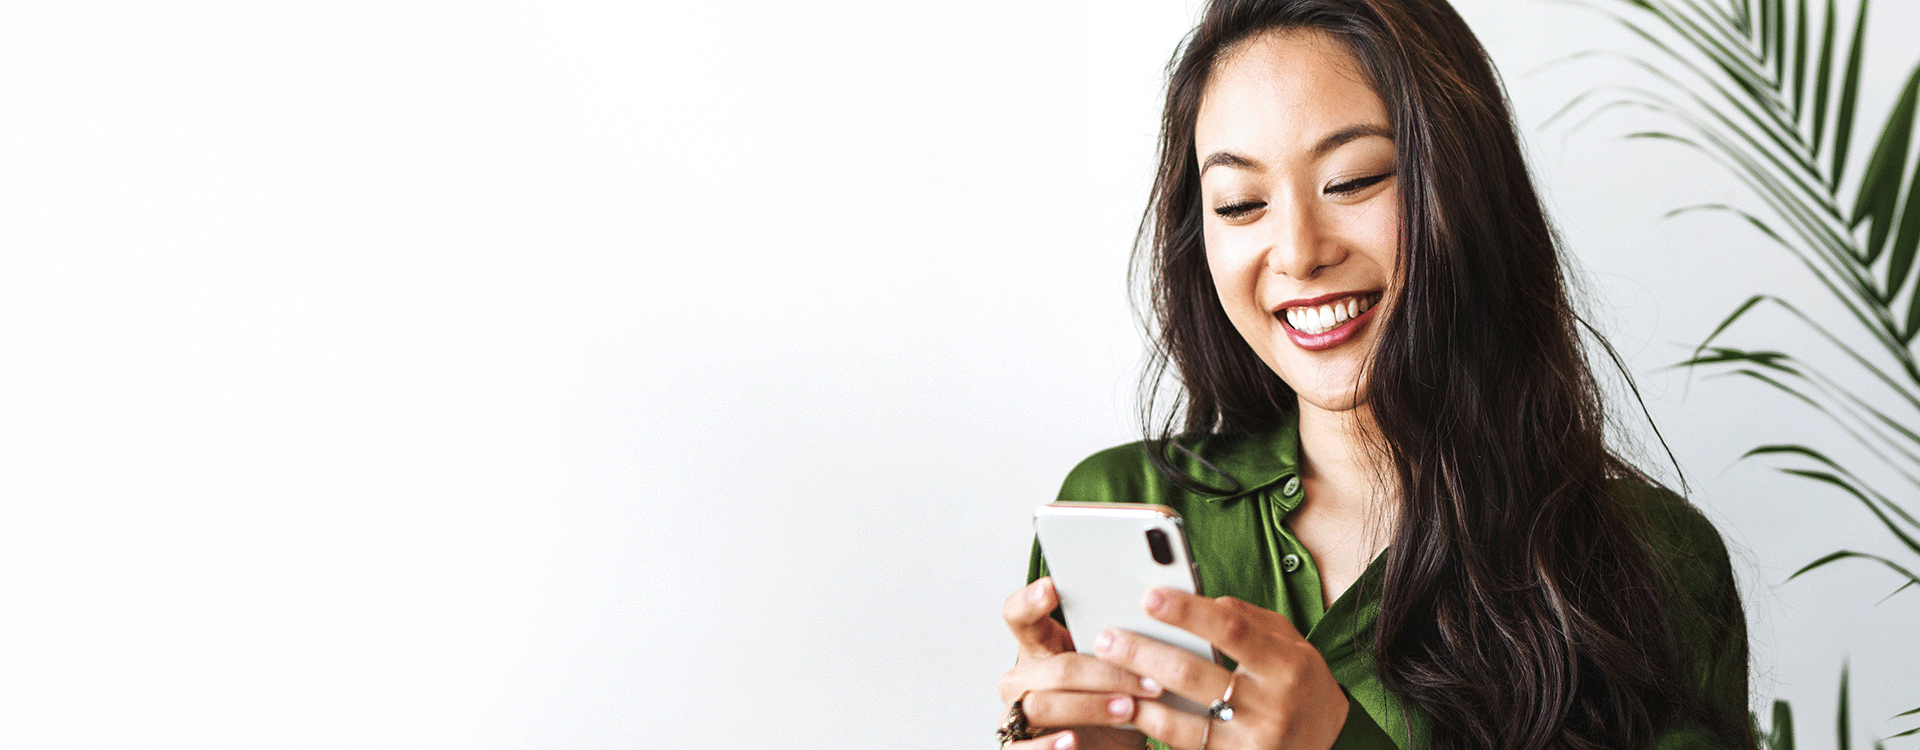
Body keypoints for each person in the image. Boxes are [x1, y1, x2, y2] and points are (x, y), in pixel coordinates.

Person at [994, 1, 1754, 749]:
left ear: (1464, 190)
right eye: (1241, 202)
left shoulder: (1654, 564)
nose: (1297, 251)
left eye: (1353, 180)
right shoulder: (1124, 503)